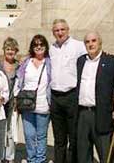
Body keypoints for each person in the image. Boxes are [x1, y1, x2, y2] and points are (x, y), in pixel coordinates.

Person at [76, 31, 114, 163]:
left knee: (106, 155)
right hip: (82, 114)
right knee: (83, 154)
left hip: (102, 114)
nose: (90, 44)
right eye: (87, 42)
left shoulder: (113, 61)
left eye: (93, 41)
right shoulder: (80, 61)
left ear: (100, 42)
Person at [49, 19, 86, 163]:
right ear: (53, 32)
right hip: (55, 97)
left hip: (71, 96)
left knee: (74, 136)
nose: (60, 33)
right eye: (57, 30)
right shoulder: (51, 48)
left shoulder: (78, 46)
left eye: (62, 29)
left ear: (68, 30)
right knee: (59, 138)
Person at [15, 34, 52, 163]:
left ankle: (40, 160)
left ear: (46, 47)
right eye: (36, 45)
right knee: (29, 135)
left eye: (41, 44)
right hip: (27, 104)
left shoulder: (50, 62)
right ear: (32, 47)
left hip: (43, 105)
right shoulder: (26, 62)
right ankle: (31, 158)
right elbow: (19, 80)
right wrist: (16, 97)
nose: (39, 47)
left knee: (41, 136)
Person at [0, 37, 21, 163]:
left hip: (13, 102)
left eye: (12, 49)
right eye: (7, 49)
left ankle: (10, 157)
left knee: (11, 130)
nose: (10, 52)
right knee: (0, 129)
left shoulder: (19, 66)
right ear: (4, 50)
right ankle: (0, 156)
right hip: (0, 102)